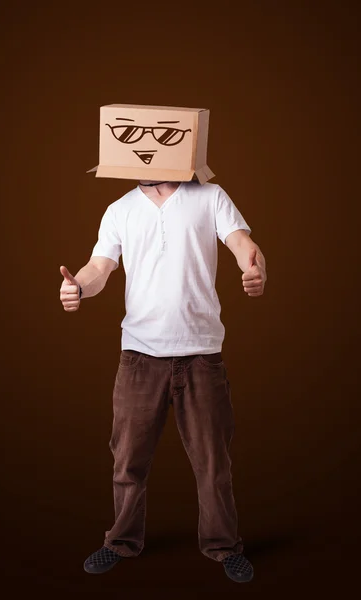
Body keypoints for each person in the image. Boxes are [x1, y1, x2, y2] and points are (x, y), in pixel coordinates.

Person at [59, 179, 267, 583]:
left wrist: (255, 270)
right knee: (127, 460)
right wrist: (78, 286)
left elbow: (243, 243)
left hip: (201, 355)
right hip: (139, 356)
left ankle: (223, 546)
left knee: (213, 463)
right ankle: (120, 541)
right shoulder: (120, 208)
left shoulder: (211, 196)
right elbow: (100, 266)